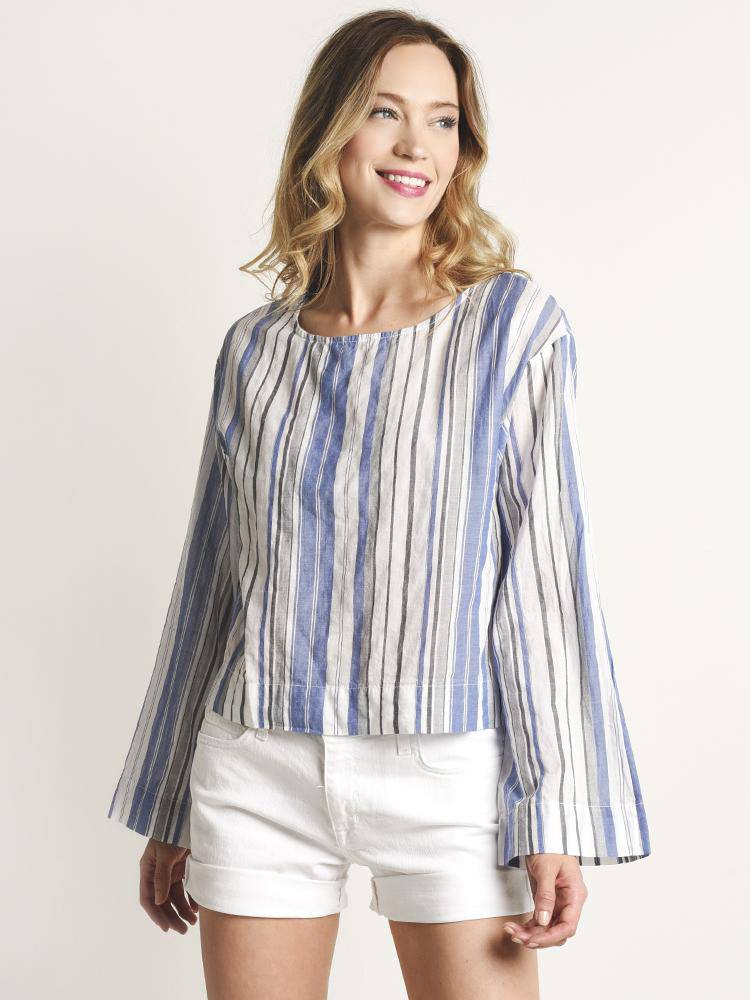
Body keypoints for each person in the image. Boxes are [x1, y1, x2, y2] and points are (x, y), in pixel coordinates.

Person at [107, 9, 651, 998]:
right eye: (385, 111)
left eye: (443, 120)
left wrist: (555, 809)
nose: (417, 146)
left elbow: (543, 581)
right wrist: (170, 797)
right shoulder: (256, 351)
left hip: (448, 776)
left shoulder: (510, 327)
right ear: (330, 131)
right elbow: (213, 583)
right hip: (258, 768)